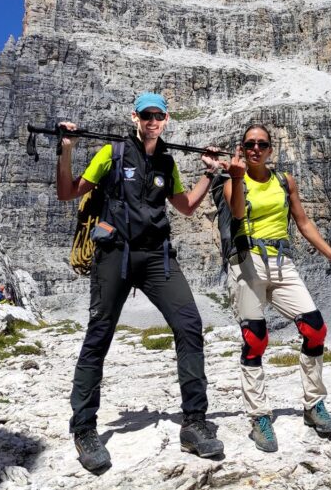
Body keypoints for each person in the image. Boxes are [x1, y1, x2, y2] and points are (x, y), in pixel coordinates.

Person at [56, 92, 225, 471]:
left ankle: (195, 423)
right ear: (135, 117)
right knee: (99, 334)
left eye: (159, 115)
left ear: (166, 119)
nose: (152, 121)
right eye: (146, 115)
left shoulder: (167, 160)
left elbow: (184, 206)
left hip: (156, 256)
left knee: (190, 324)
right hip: (113, 253)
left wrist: (210, 172)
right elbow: (67, 192)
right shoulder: (112, 154)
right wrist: (66, 149)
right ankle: (84, 428)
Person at [224, 124, 331, 452]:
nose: (256, 149)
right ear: (242, 148)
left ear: (270, 150)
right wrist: (238, 177)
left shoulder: (284, 181)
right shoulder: (232, 181)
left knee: (315, 329)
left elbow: (303, 222)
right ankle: (259, 416)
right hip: (246, 260)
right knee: (255, 338)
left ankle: (314, 405)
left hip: (281, 262)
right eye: (249, 143)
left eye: (262, 144)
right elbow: (237, 214)